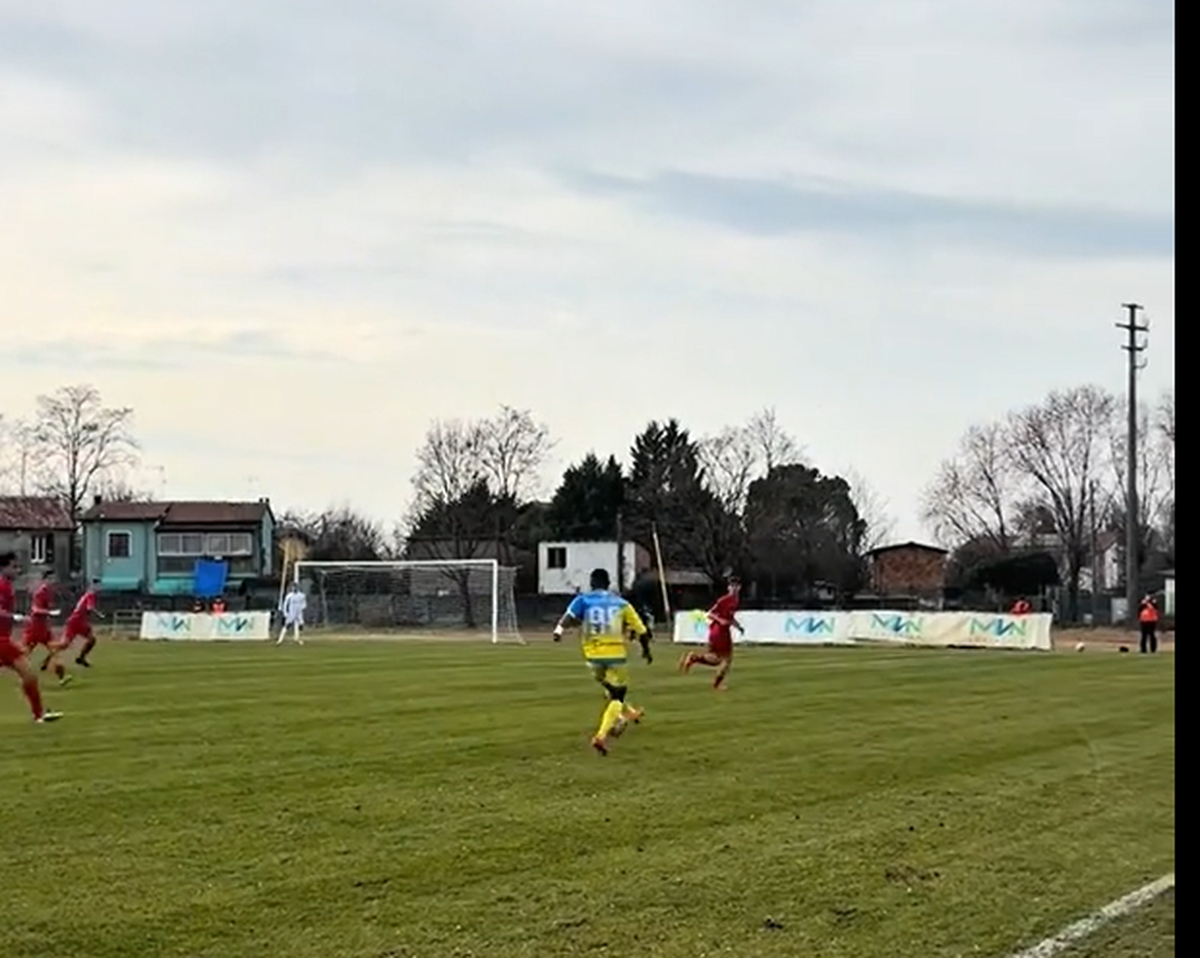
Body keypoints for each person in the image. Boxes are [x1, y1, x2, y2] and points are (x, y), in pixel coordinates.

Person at [553, 568, 652, 756]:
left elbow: (569, 617)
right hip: (615, 654)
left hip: (592, 656)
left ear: (591, 584)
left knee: (608, 686)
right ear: (609, 584)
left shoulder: (583, 600)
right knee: (617, 696)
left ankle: (629, 713)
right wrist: (646, 651)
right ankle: (601, 735)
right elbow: (642, 631)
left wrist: (558, 631)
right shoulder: (621, 604)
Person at [0, 552, 62, 723]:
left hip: (4, 639)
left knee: (28, 675)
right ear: (3, 568)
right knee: (29, 674)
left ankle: (39, 714)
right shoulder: (1, 585)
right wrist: (15, 617)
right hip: (1, 641)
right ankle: (39, 714)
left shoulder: (6, 585)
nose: (17, 570)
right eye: (13, 566)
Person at [679, 575, 744, 690]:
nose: (734, 588)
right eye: (731, 586)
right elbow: (710, 614)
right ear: (728, 588)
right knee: (724, 659)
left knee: (718, 659)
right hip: (718, 631)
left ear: (739, 587)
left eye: (736, 586)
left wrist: (738, 626)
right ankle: (716, 684)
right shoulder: (724, 600)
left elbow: (730, 617)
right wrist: (721, 620)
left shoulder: (735, 600)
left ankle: (694, 658)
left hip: (724, 631)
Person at [22, 570, 71, 686]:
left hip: (44, 629)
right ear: (45, 580)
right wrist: (50, 612)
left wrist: (48, 614)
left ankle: (62, 679)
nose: (53, 581)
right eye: (50, 579)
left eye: (54, 579)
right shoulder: (40, 592)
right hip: (34, 628)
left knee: (55, 653)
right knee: (23, 654)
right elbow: (35, 609)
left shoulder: (49, 592)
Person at [59, 578, 103, 668]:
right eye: (98, 585)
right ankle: (49, 657)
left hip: (79, 622)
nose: (99, 588)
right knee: (64, 645)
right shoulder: (91, 594)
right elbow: (89, 608)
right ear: (94, 586)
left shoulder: (87, 594)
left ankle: (81, 658)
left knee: (92, 639)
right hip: (75, 622)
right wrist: (99, 614)